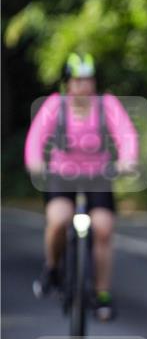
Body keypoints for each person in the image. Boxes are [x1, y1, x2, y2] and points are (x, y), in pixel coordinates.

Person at [24, 52, 139, 321]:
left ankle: (102, 294)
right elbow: (36, 138)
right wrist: (36, 162)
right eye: (77, 81)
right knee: (58, 220)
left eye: (88, 80)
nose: (83, 86)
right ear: (67, 83)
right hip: (62, 176)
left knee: (103, 227)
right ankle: (52, 268)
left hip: (98, 176)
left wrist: (127, 160)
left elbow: (126, 135)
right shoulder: (55, 106)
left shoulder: (107, 105)